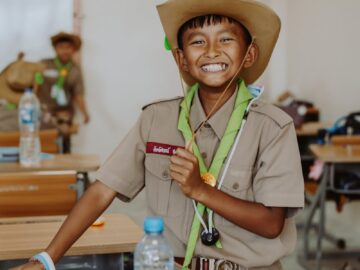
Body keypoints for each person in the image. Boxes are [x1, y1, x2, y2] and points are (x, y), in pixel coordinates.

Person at [12, 0, 304, 269]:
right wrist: (46, 258)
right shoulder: (156, 119)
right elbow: (102, 190)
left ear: (249, 54)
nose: (212, 50)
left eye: (226, 39)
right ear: (181, 59)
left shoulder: (273, 127)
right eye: (198, 41)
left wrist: (199, 190)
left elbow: (271, 223)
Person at [38, 31, 90, 152]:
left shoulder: (75, 70)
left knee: (64, 143)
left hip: (64, 113)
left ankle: (66, 166)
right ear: (55, 49)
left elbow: (78, 94)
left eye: (68, 48)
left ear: (74, 50)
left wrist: (85, 113)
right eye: (61, 47)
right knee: (45, 143)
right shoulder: (44, 64)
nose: (65, 51)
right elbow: (33, 83)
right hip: (44, 111)